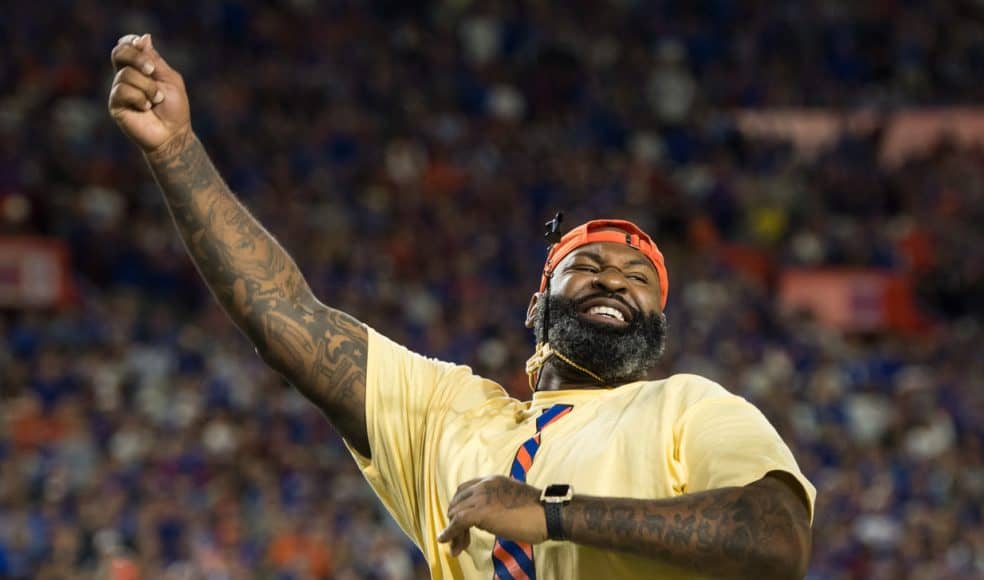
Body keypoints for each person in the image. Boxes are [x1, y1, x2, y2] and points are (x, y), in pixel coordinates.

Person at [108, 33, 816, 580]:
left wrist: (551, 515)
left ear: (657, 321)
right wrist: (176, 150)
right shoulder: (448, 415)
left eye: (640, 278)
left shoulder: (689, 407)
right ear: (537, 305)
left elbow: (774, 537)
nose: (614, 280)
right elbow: (283, 314)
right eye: (589, 265)